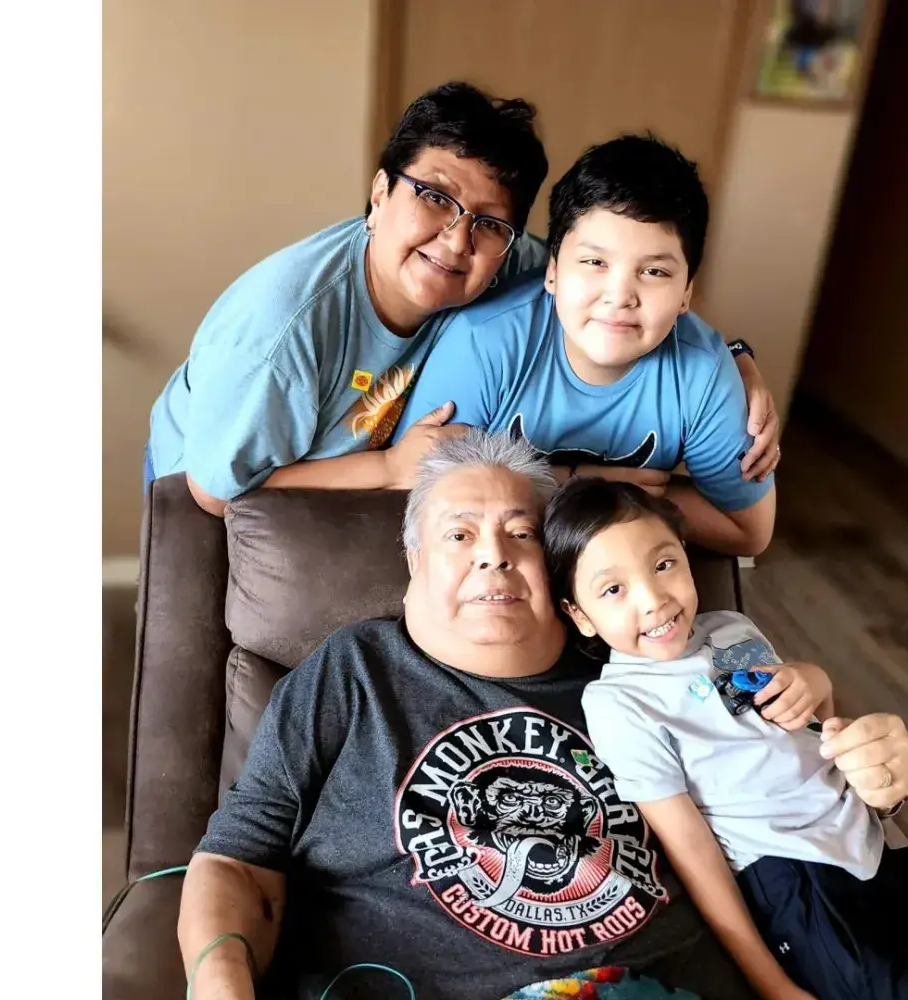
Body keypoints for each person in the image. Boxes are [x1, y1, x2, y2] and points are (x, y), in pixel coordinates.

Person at [175, 431, 829, 1000]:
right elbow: (237, 859)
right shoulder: (353, 671)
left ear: (562, 569)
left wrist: (842, 733)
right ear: (415, 561)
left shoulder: (640, 669)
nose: (493, 554)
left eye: (522, 533)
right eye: (459, 535)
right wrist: (220, 985)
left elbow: (784, 789)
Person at [145, 83, 782, 518]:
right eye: (433, 197)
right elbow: (216, 490)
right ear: (379, 193)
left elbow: (613, 284)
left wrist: (732, 358)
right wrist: (390, 470)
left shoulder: (506, 256)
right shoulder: (283, 330)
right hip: (212, 477)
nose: (456, 240)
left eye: (488, 221)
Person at [543, 478, 908, 1000]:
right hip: (800, 883)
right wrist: (772, 984)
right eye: (613, 590)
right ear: (580, 615)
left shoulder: (731, 630)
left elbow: (795, 730)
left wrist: (815, 684)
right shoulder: (620, 703)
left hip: (871, 847)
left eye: (664, 564)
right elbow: (692, 852)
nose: (653, 600)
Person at [396, 134, 776, 556]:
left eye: (654, 272)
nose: (619, 296)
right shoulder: (483, 342)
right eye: (595, 262)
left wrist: (612, 496)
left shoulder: (704, 372)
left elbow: (748, 531)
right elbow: (417, 496)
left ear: (687, 292)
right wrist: (582, 485)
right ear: (553, 270)